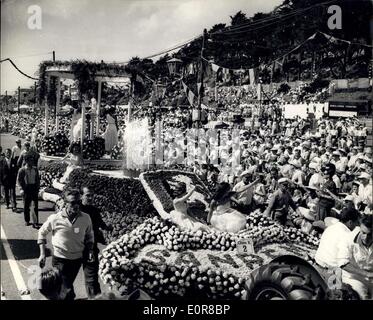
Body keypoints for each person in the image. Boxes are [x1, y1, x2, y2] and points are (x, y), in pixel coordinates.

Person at [38, 188, 95, 300]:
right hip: (60, 260)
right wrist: (42, 254)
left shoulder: (86, 218)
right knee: (66, 288)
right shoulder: (55, 218)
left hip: (76, 260)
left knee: (66, 286)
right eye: (73, 203)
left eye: (78, 202)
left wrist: (90, 250)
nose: (77, 205)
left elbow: (89, 236)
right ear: (65, 203)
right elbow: (41, 232)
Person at [80, 187, 112, 299]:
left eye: (91, 195)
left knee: (92, 277)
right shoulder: (77, 209)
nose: (90, 198)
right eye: (87, 195)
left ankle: (95, 297)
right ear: (81, 196)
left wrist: (108, 228)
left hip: (90, 248)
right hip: (75, 248)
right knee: (67, 279)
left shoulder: (94, 210)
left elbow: (100, 223)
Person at [337, 215, 373, 300]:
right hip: (353, 277)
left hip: (371, 278)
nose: (366, 238)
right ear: (360, 228)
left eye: (370, 234)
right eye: (363, 233)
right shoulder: (348, 240)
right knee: (362, 296)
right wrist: (366, 274)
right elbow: (343, 264)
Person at [17, 154, 40, 228]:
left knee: (35, 206)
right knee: (26, 206)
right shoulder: (22, 170)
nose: (32, 161)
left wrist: (38, 188)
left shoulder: (35, 169)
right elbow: (19, 181)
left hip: (33, 188)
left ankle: (35, 222)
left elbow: (37, 180)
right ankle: (27, 220)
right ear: (26, 161)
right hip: (26, 189)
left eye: (32, 160)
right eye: (30, 160)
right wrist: (21, 189)